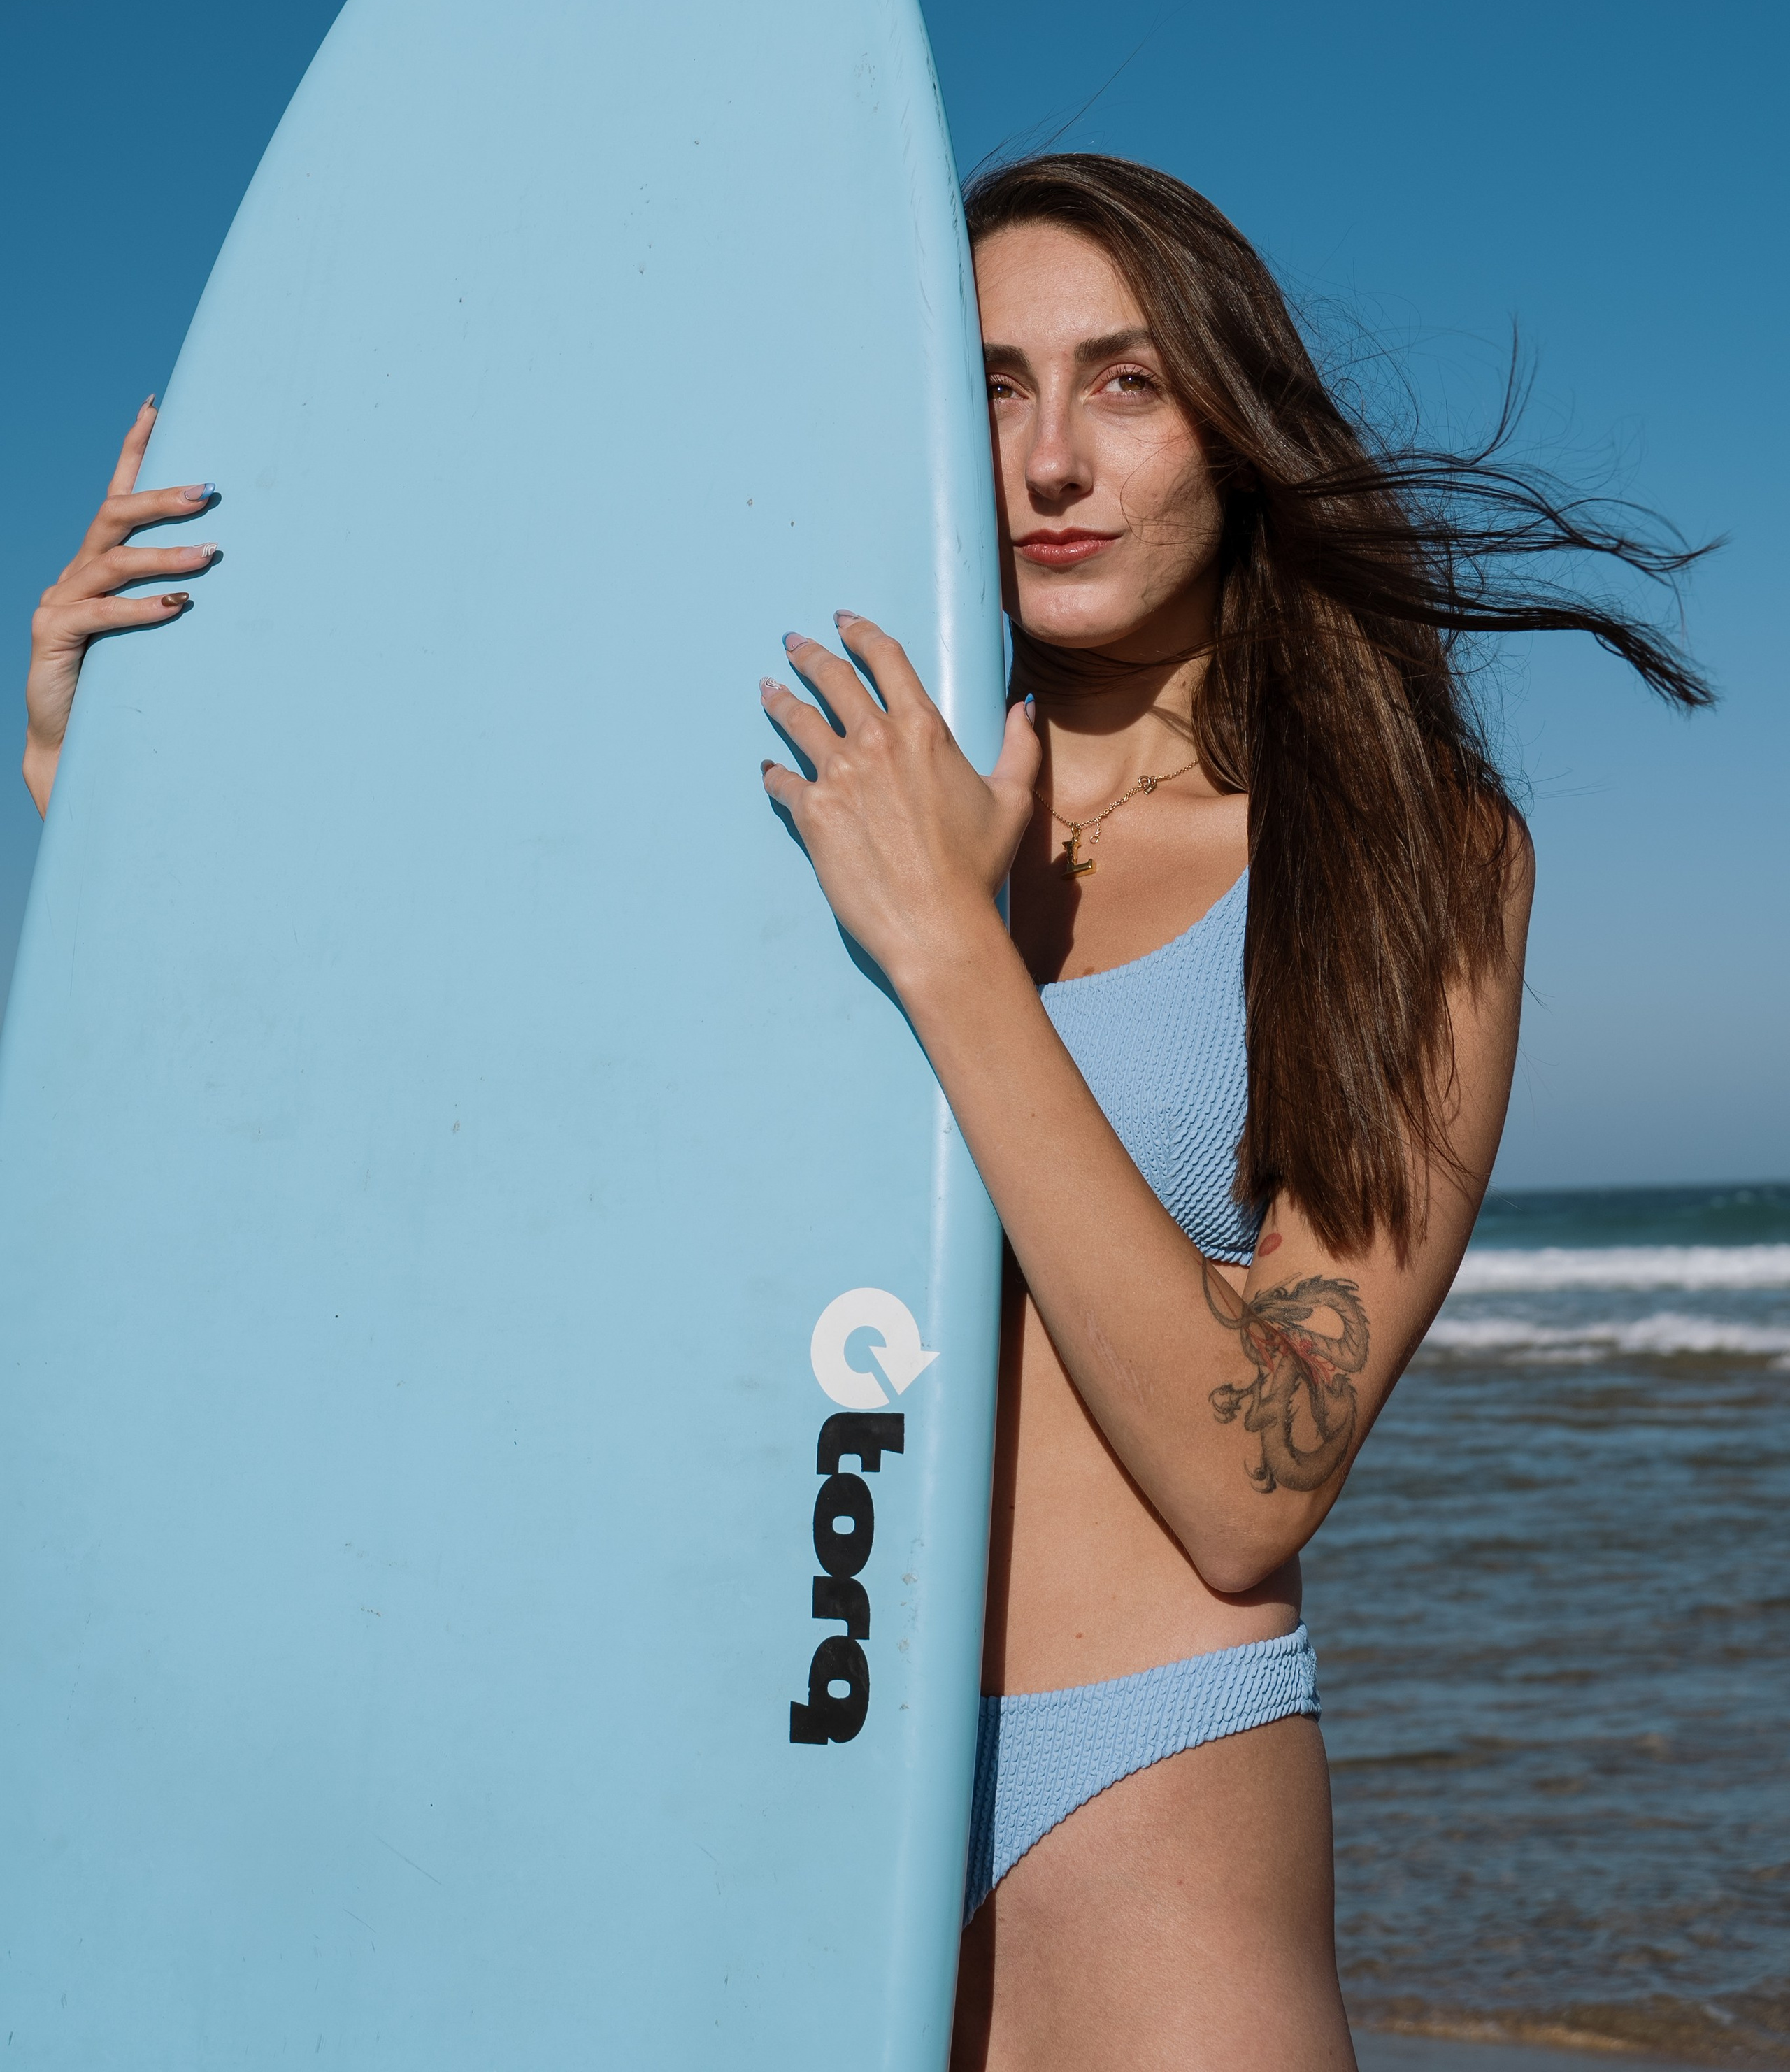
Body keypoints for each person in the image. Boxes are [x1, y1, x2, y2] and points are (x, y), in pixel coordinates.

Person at [24, 155, 1706, 2072]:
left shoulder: (1402, 858)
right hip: (734, 1801)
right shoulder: (774, 807)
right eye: (992, 385)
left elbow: (1257, 1481)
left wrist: (950, 949)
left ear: (1236, 427)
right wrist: (108, 813)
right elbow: (434, 1175)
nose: (1052, 459)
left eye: (1126, 382)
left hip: (1129, 1808)